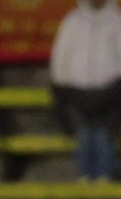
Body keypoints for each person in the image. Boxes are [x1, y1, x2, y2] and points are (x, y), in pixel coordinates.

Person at [50, 0, 121, 182]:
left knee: (103, 135)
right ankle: (85, 174)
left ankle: (104, 174)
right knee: (84, 135)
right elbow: (62, 52)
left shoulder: (116, 21)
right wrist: (59, 80)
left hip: (108, 89)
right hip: (77, 89)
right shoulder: (73, 21)